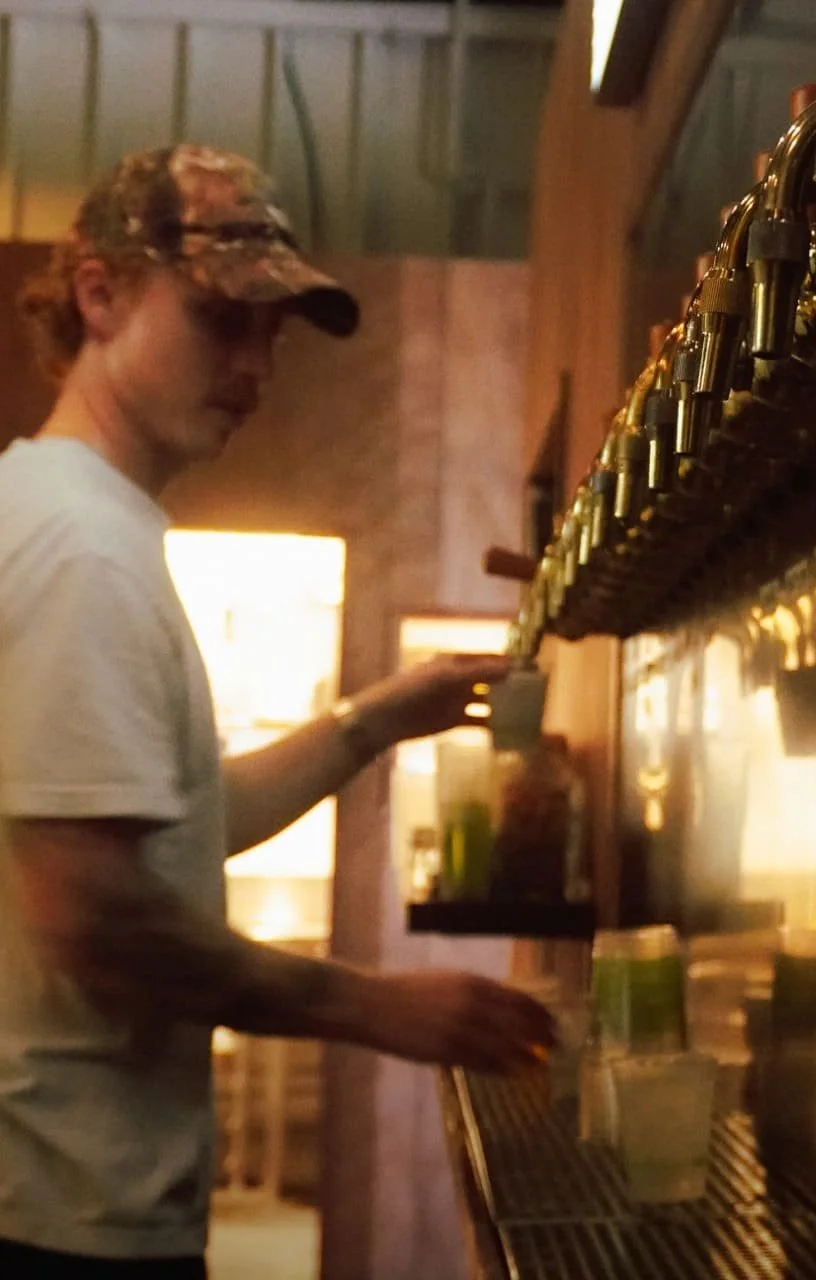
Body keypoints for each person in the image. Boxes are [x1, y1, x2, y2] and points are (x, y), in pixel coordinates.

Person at [0, 144, 556, 1278]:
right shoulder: (81, 552)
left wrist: (373, 720)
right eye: (221, 321)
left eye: (275, 333)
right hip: (56, 1218)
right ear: (100, 293)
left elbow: (181, 828)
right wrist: (374, 1006)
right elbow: (93, 914)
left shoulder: (72, 519)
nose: (256, 365)